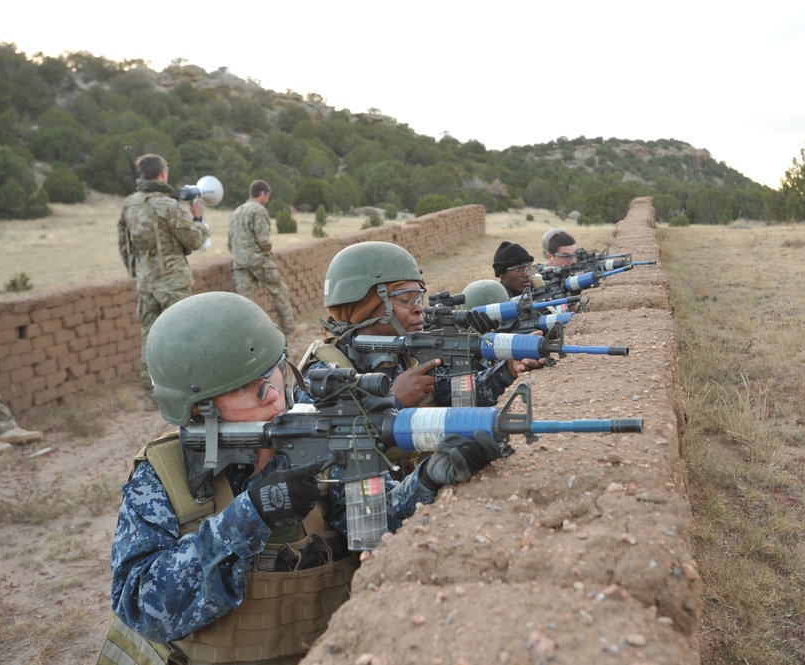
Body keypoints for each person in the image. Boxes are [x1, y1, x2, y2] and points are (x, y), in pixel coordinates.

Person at [98, 291, 503, 665]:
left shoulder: (310, 435)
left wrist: (429, 479)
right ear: (201, 409)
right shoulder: (166, 476)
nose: (273, 395)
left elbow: (378, 527)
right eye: (247, 390)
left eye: (274, 374)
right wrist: (251, 514)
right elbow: (140, 606)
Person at [296, 241, 542, 412]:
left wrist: (508, 368)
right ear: (364, 307)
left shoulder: (406, 353)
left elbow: (453, 394)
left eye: (419, 299)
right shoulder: (324, 374)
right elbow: (324, 450)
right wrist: (395, 401)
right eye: (405, 300)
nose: (418, 309)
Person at [117, 153, 210, 401]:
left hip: (145, 282)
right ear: (161, 174)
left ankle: (150, 393)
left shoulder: (129, 205)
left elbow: (124, 246)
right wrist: (198, 218)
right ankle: (191, 391)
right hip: (172, 282)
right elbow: (193, 239)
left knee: (149, 335)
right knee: (183, 333)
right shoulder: (167, 205)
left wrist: (138, 274)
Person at [228, 180, 302, 335]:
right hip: (259, 261)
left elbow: (230, 241)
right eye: (268, 195)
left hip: (240, 263)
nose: (268, 198)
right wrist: (267, 249)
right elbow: (263, 240)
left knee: (244, 302)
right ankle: (289, 328)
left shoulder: (236, 211)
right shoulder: (259, 210)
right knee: (279, 291)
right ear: (261, 193)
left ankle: (246, 334)